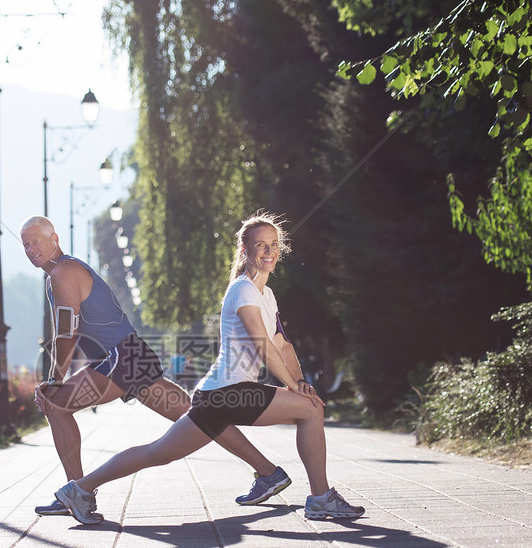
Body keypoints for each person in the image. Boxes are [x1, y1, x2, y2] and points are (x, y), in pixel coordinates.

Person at [53, 211, 365, 525]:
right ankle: (321, 498)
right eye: (261, 245)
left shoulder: (265, 294)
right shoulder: (243, 290)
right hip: (228, 392)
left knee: (158, 452)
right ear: (246, 250)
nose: (269, 251)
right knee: (310, 410)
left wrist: (298, 381)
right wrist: (295, 388)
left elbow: (283, 345)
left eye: (274, 245)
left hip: (217, 395)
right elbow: (262, 345)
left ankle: (79, 488)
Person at [19, 215, 292, 517]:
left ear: (55, 239)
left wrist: (54, 379)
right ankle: (268, 472)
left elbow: (66, 332)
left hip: (124, 357)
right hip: (131, 356)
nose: (31, 249)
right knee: (200, 415)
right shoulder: (59, 273)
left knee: (55, 404)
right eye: (26, 244)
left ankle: (77, 491)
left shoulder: (64, 271)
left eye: (37, 241)